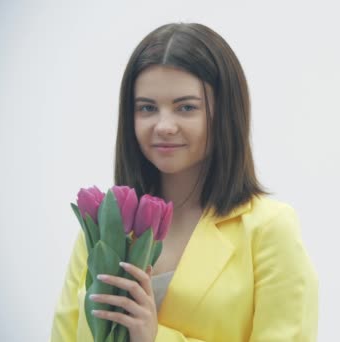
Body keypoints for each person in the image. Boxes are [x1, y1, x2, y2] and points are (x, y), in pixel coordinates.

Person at [50, 22, 318, 342]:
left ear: (226, 114)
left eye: (186, 107)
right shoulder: (105, 226)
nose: (164, 125)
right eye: (147, 108)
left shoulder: (269, 229)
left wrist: (155, 337)